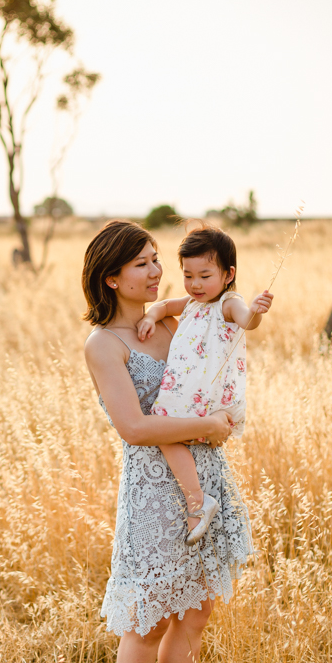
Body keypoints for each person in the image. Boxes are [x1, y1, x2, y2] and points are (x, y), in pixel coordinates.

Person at [82, 220, 254, 663]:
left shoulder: (185, 319)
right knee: (148, 619)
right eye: (142, 264)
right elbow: (134, 429)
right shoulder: (104, 344)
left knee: (196, 614)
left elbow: (217, 370)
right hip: (155, 491)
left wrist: (222, 415)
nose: (158, 273)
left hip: (207, 476)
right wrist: (205, 426)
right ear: (111, 279)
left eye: (158, 259)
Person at [136, 225, 273, 545]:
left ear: (228, 274)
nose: (195, 284)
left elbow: (247, 321)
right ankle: (198, 501)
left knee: (163, 431)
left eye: (205, 275)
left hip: (206, 396)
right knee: (166, 435)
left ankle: (197, 503)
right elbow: (165, 306)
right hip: (187, 393)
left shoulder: (228, 302)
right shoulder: (192, 303)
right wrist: (150, 316)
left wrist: (256, 311)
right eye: (188, 275)